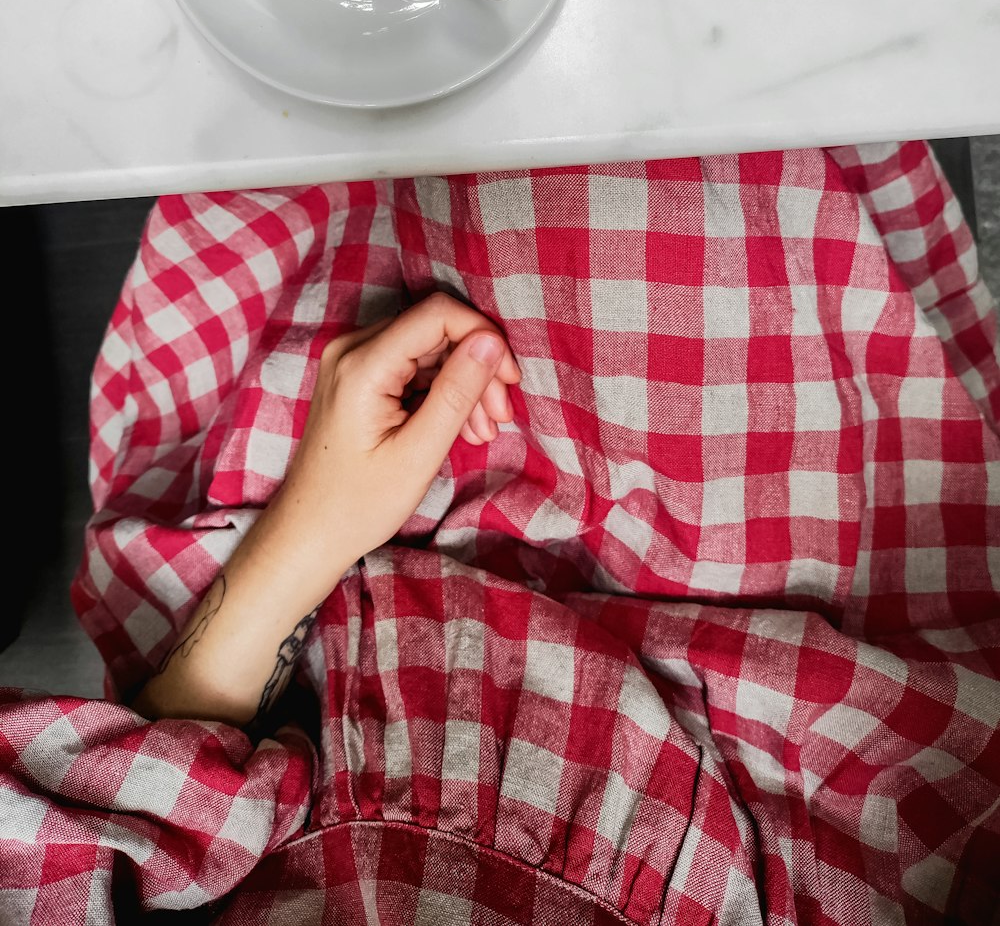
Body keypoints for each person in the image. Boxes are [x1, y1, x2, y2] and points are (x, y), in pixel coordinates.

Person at [1, 142, 999, 924]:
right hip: (778, 705)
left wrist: (310, 533)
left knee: (312, 96)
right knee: (702, 112)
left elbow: (88, 833)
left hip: (295, 634)